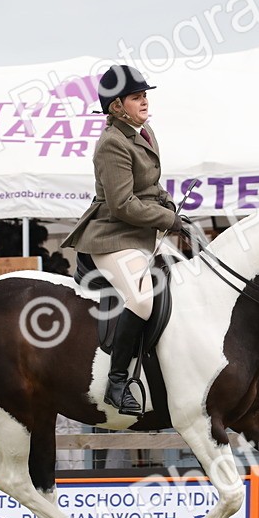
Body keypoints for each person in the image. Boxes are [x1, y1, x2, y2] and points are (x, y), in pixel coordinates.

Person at [61, 64, 186, 415]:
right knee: (142, 300)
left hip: (140, 234)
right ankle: (117, 383)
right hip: (111, 236)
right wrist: (168, 219)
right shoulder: (111, 144)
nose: (144, 101)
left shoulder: (144, 132)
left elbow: (148, 187)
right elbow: (123, 204)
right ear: (117, 106)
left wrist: (169, 204)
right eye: (136, 97)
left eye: (145, 95)